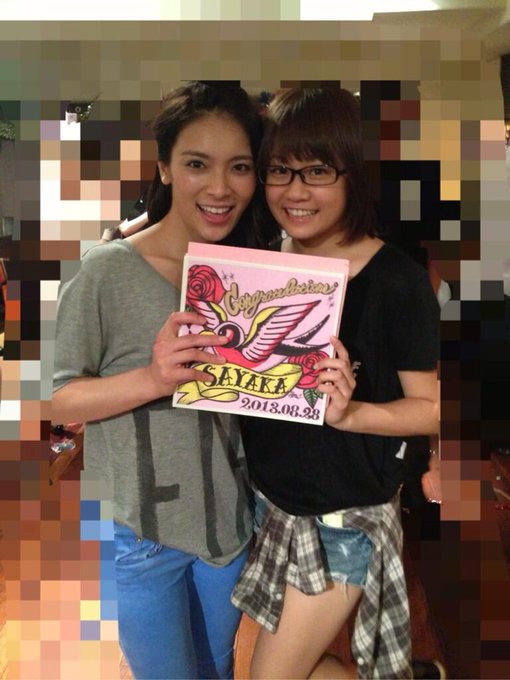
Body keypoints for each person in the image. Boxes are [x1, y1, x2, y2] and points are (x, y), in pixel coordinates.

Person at [51, 81, 263, 680]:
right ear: (165, 167)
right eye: (197, 164)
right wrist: (151, 377)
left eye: (239, 166)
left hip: (228, 524)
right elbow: (57, 399)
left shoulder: (253, 274)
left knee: (216, 668)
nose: (220, 187)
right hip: (141, 535)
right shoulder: (107, 271)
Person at [231, 87, 440, 679]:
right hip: (269, 507)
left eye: (317, 171)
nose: (295, 192)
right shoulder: (261, 267)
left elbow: (431, 408)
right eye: (280, 170)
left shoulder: (396, 283)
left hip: (340, 523)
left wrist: (352, 414)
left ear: (353, 174)